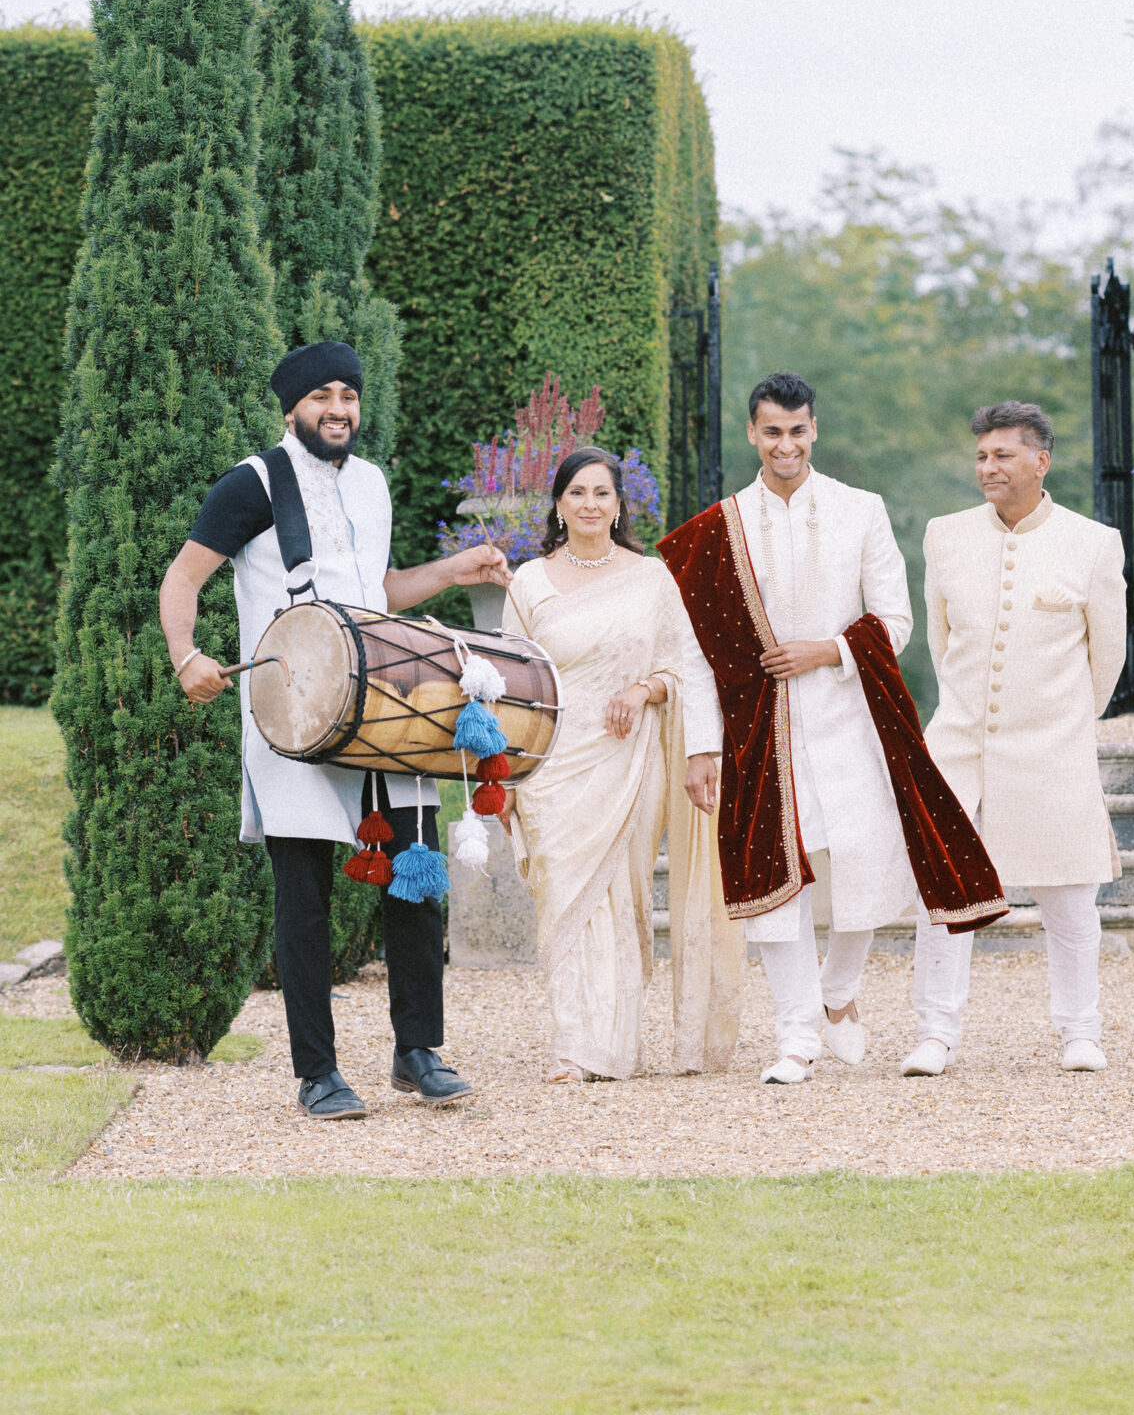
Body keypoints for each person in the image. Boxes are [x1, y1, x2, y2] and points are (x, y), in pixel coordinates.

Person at [158, 340, 512, 1121]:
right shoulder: (251, 484)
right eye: (321, 397)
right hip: (292, 718)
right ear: (292, 409)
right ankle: (317, 1072)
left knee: (414, 882)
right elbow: (183, 575)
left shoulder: (374, 483)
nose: (339, 409)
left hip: (384, 707)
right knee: (305, 900)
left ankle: (418, 1052)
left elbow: (379, 588)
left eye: (348, 395)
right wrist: (186, 655)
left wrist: (453, 570)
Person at [662, 372, 1005, 1085]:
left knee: (867, 859)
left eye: (797, 430)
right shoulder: (718, 528)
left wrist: (828, 650)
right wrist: (700, 745)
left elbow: (896, 620)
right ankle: (794, 1037)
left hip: (853, 717)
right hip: (760, 731)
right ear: (752, 434)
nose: (785, 444)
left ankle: (836, 989)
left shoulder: (860, 510)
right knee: (777, 883)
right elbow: (696, 653)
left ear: (814, 430)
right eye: (771, 432)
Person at [498, 446, 740, 1083]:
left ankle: (617, 1049)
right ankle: (574, 1048)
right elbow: (510, 682)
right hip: (552, 764)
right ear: (558, 504)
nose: (588, 505)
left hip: (628, 759)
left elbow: (681, 667)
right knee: (565, 898)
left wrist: (642, 692)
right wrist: (506, 774)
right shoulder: (529, 583)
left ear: (618, 505)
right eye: (576, 493)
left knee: (622, 896)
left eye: (601, 493)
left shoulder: (651, 578)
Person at [907, 402, 1127, 1077]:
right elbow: (943, 644)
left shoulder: (1092, 542)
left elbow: (1107, 658)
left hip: (1053, 747)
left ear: (1040, 461)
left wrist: (1059, 724)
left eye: (1002, 455)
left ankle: (1079, 1031)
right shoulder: (944, 536)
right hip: (960, 745)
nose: (987, 467)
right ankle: (934, 1033)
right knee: (944, 896)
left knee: (1067, 896)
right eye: (980, 455)